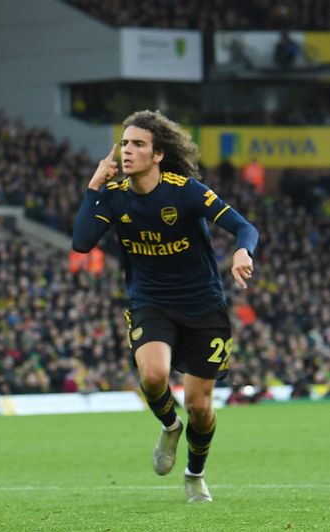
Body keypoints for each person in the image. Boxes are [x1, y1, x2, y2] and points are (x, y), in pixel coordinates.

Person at [72, 110, 258, 503]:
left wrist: (243, 250)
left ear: (158, 154)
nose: (127, 151)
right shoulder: (115, 196)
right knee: (154, 376)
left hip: (204, 305)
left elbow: (245, 227)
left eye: (138, 144)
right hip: (151, 302)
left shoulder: (186, 190)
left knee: (201, 407)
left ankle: (194, 473)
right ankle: (170, 426)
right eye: (124, 143)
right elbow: (83, 242)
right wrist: (93, 187)